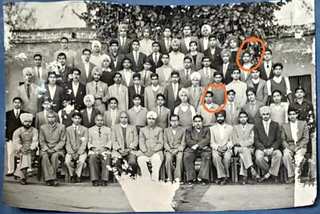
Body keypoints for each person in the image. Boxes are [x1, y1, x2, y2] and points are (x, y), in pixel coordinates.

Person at [254, 106, 282, 183]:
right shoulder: (257, 125)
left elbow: (278, 139)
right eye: (263, 114)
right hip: (261, 149)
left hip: (273, 148)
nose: (265, 116)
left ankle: (267, 175)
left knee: (279, 155)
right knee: (259, 158)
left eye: (267, 114)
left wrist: (272, 149)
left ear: (270, 115)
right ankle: (273, 173)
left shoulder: (275, 124)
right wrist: (264, 149)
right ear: (261, 115)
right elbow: (256, 140)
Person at [282, 107, 309, 184]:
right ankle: (292, 175)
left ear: (297, 115)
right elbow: (283, 139)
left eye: (294, 114)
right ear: (288, 116)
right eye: (290, 114)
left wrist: (300, 146)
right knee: (286, 155)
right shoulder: (284, 126)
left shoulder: (303, 123)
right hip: (289, 145)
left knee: (300, 156)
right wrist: (287, 146)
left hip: (300, 145)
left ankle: (297, 174)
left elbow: (306, 137)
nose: (292, 116)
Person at [39, 110, 66, 186]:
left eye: (53, 117)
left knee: (54, 157)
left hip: (57, 149)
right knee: (44, 157)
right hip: (46, 148)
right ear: (46, 118)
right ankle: (52, 178)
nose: (51, 119)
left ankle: (50, 178)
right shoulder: (42, 127)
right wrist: (47, 149)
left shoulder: (61, 127)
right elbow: (42, 141)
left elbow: (62, 141)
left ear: (56, 118)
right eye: (49, 117)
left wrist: (54, 149)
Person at [183, 115, 212, 185]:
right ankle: (191, 178)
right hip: (192, 149)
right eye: (195, 121)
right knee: (187, 156)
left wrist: (197, 145)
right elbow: (188, 140)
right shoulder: (189, 130)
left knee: (207, 156)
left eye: (199, 121)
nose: (197, 123)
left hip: (203, 149)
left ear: (202, 122)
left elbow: (207, 140)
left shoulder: (206, 130)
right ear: (193, 123)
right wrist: (196, 145)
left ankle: (202, 178)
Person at [232, 111, 259, 184]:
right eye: (241, 117)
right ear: (239, 119)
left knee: (242, 155)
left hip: (249, 149)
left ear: (247, 118)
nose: (243, 119)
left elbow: (251, 140)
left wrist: (241, 143)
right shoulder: (235, 127)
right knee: (244, 150)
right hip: (238, 149)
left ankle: (244, 176)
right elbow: (234, 140)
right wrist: (243, 144)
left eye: (244, 117)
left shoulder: (251, 127)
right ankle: (251, 168)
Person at [137, 111, 164, 181]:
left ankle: (154, 180)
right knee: (140, 159)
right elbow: (141, 142)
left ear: (155, 120)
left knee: (156, 160)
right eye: (149, 119)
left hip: (156, 152)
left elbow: (160, 143)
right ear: (147, 119)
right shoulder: (142, 130)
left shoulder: (159, 130)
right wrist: (145, 151)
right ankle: (147, 179)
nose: (151, 121)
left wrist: (154, 150)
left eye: (153, 119)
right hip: (145, 152)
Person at [13, 113, 38, 185]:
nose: (27, 123)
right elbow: (16, 142)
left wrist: (30, 147)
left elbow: (35, 141)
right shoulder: (17, 131)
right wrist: (21, 148)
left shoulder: (34, 130)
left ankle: (22, 177)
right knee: (25, 154)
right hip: (20, 150)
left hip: (31, 150)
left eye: (29, 121)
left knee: (26, 154)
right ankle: (28, 169)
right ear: (22, 122)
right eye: (25, 121)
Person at [112, 111, 139, 175]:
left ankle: (130, 176)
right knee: (116, 161)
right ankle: (123, 176)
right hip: (118, 150)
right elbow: (113, 140)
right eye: (122, 117)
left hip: (130, 150)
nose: (123, 119)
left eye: (125, 117)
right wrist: (119, 149)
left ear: (128, 118)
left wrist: (129, 149)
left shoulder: (133, 127)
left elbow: (135, 140)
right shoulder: (115, 127)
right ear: (119, 118)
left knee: (132, 162)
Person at [210, 110, 233, 185]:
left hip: (227, 148)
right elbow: (211, 142)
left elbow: (232, 140)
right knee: (215, 157)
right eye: (218, 117)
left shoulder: (230, 128)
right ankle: (223, 176)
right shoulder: (212, 128)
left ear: (224, 117)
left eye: (221, 116)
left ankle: (222, 176)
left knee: (227, 157)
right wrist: (217, 148)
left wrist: (227, 146)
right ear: (216, 118)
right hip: (217, 148)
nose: (220, 118)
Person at [88, 114, 112, 186]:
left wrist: (105, 148)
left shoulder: (108, 130)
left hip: (104, 149)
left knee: (106, 157)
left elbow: (110, 140)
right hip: (94, 149)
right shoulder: (90, 130)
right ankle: (95, 179)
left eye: (101, 120)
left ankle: (104, 179)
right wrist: (93, 148)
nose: (99, 122)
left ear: (103, 121)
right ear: (95, 121)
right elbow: (89, 141)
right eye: (98, 120)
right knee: (92, 158)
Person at [5, 97, 27, 176]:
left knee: (21, 154)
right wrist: (6, 136)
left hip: (21, 138)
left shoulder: (25, 114)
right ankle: (10, 170)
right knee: (10, 153)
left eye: (19, 102)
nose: (17, 104)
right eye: (15, 102)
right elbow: (5, 126)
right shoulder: (7, 114)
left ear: (21, 104)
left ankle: (20, 171)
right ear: (13, 103)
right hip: (10, 136)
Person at [65, 112, 89, 183]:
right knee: (67, 161)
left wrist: (79, 153)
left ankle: (78, 175)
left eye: (79, 118)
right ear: (72, 119)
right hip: (71, 151)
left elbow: (84, 142)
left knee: (81, 161)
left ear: (81, 119)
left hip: (81, 151)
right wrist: (71, 153)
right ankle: (72, 175)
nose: (77, 120)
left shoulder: (85, 129)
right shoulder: (68, 129)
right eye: (75, 118)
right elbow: (67, 142)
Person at [164, 114, 186, 182]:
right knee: (168, 158)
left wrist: (178, 149)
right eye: (172, 120)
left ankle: (178, 178)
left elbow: (183, 142)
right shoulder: (166, 130)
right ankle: (169, 178)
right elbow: (165, 142)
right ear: (170, 122)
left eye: (176, 120)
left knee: (179, 158)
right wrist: (169, 150)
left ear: (178, 121)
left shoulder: (183, 130)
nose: (174, 122)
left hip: (178, 150)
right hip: (169, 150)